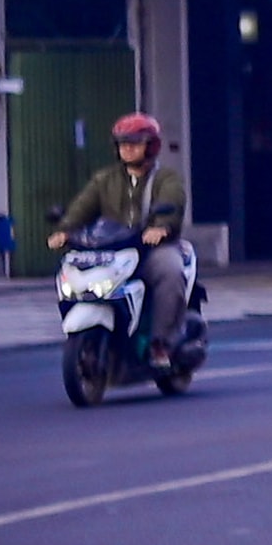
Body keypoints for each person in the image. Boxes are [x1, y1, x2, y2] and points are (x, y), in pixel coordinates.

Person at [43, 111, 187, 366]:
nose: (128, 148)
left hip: (151, 248)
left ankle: (160, 344)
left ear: (151, 146)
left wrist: (161, 227)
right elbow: (82, 207)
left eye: (135, 142)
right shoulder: (104, 179)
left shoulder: (166, 178)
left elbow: (172, 201)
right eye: (122, 143)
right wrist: (64, 231)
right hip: (113, 250)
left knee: (170, 271)